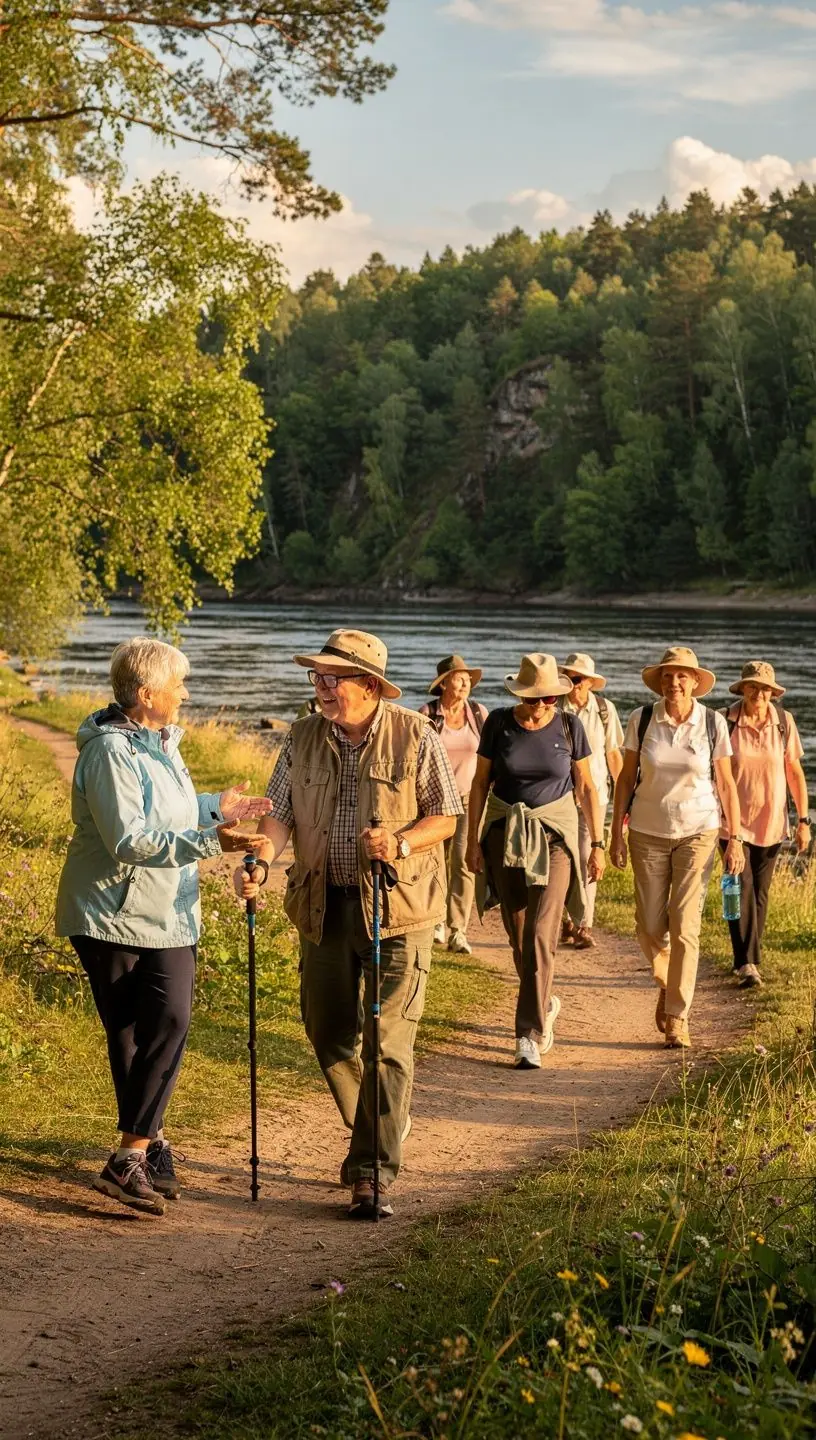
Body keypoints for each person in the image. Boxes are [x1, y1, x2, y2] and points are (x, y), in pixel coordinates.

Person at [237, 628, 461, 1219]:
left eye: (332, 679)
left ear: (369, 686)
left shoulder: (416, 733)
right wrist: (260, 862)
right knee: (327, 1030)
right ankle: (385, 1120)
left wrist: (401, 842)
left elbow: (446, 816)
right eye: (317, 678)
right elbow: (279, 816)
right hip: (323, 904)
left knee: (387, 1044)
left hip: (397, 909)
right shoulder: (302, 735)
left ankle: (371, 1171)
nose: (322, 688)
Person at [55, 637, 271, 1214]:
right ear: (146, 694)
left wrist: (211, 807)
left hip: (167, 910)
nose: (186, 693)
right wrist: (210, 840)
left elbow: (165, 812)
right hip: (110, 911)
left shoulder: (161, 741)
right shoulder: (107, 752)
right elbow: (128, 838)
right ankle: (136, 1153)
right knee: (131, 1034)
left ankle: (138, 1148)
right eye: (179, 685)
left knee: (169, 1022)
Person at [466, 653, 606, 1070]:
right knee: (519, 932)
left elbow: (587, 787)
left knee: (543, 931)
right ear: (520, 695)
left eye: (549, 699)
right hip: (504, 834)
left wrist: (597, 842)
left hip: (556, 837)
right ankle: (543, 1002)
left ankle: (527, 1034)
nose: (541, 706)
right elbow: (479, 783)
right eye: (534, 699)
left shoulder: (570, 725)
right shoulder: (498, 723)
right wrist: (472, 842)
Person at [610, 646, 745, 1051]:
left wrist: (733, 837)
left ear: (695, 682)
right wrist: (616, 830)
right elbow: (625, 778)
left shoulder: (713, 723)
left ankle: (678, 1016)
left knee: (685, 925)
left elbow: (726, 784)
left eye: (682, 676)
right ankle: (668, 983)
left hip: (698, 831)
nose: (674, 682)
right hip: (647, 831)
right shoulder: (642, 718)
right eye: (668, 676)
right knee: (650, 924)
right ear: (660, 681)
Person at [720, 660, 809, 988]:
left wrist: (803, 821)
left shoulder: (784, 722)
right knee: (735, 888)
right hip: (730, 823)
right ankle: (747, 963)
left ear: (773, 693)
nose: (759, 693)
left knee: (759, 892)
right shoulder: (725, 721)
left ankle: (746, 959)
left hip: (771, 821)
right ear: (742, 688)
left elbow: (795, 773)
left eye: (765, 688)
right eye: (753, 686)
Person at [419, 654, 489, 956]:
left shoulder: (478, 712)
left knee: (464, 861)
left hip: (469, 799)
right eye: (459, 678)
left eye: (467, 679)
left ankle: (458, 930)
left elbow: (488, 756)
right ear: (444, 683)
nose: (465, 683)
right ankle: (435, 920)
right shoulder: (427, 714)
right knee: (435, 860)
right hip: (435, 800)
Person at [558, 651, 623, 950]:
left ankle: (584, 924)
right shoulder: (554, 707)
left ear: (590, 683)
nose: (574, 684)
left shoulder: (604, 710)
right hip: (559, 796)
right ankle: (563, 919)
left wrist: (626, 796)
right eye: (569, 679)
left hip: (595, 795)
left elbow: (613, 755)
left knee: (590, 856)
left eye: (579, 679)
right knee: (561, 859)